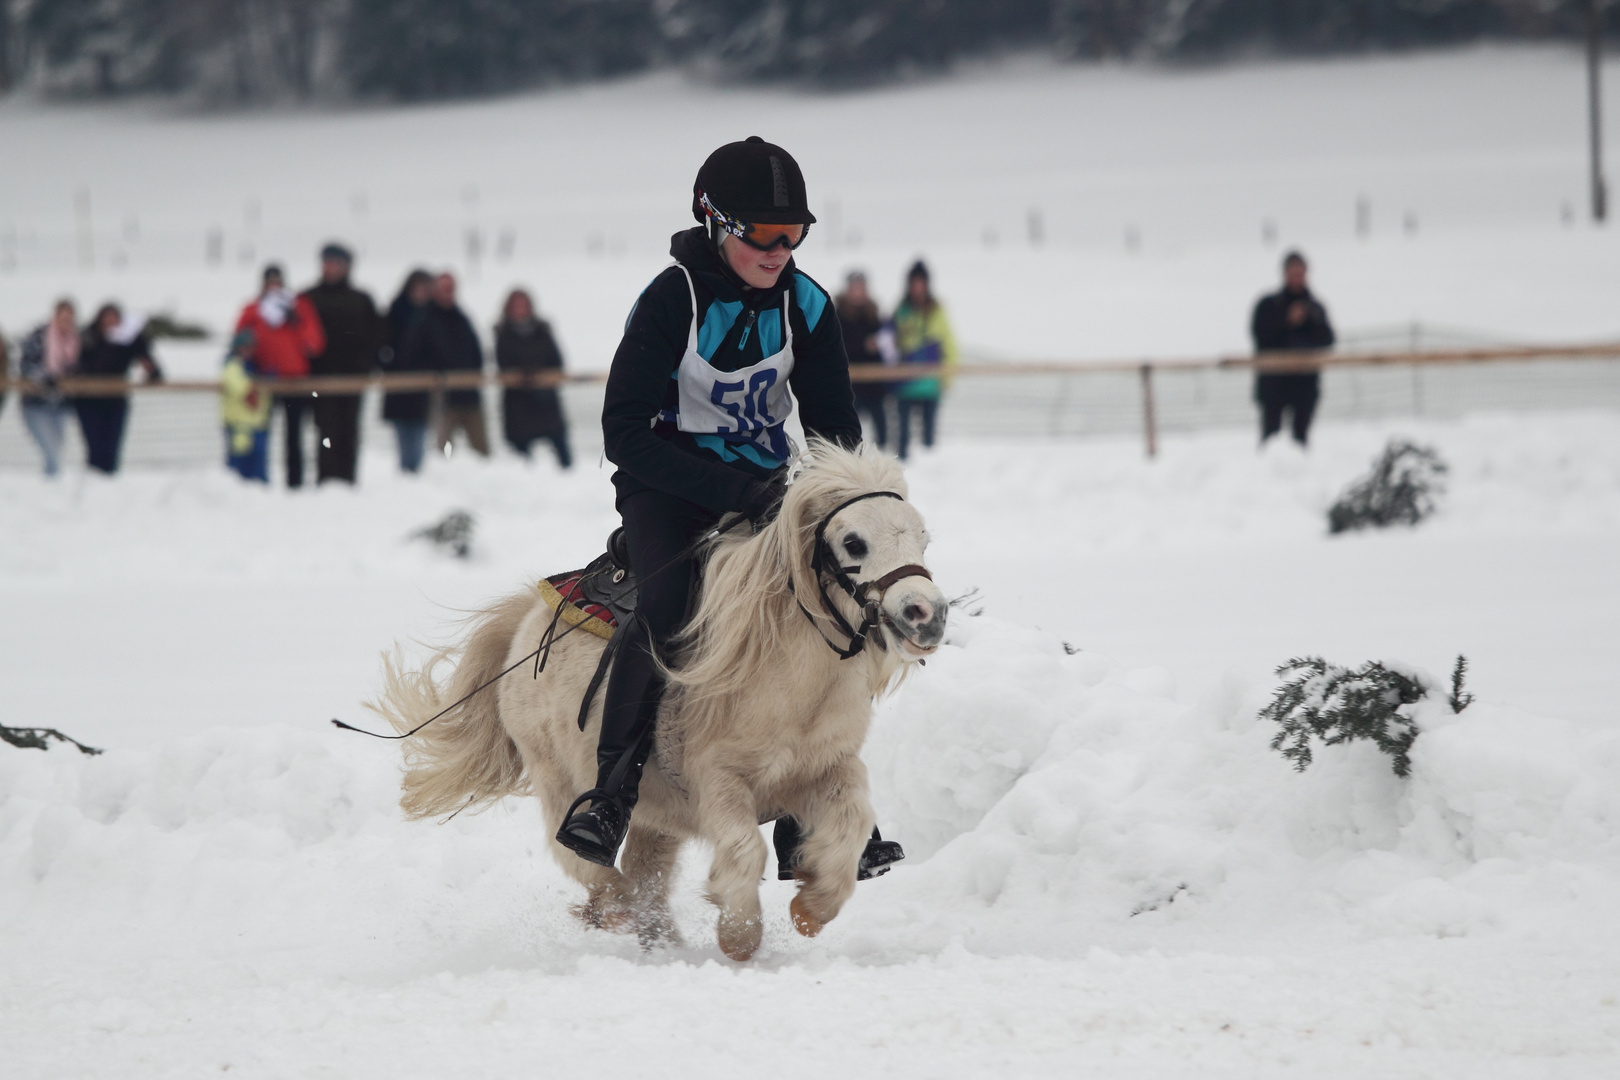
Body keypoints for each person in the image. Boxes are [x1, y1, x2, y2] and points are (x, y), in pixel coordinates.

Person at [555, 136, 897, 875]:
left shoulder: (806, 305)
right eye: (766, 237)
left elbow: (833, 429)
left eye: (796, 234)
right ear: (714, 223)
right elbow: (623, 434)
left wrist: (830, 501)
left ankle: (814, 812)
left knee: (838, 605)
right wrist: (735, 490)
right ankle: (609, 797)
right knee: (670, 608)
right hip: (668, 489)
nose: (782, 251)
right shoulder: (670, 299)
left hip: (772, 490)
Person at [233, 264, 326, 487]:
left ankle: (295, 484)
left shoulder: (300, 308)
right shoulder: (252, 310)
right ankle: (257, 481)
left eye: (277, 282)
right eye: (269, 282)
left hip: (295, 383)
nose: (274, 287)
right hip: (264, 382)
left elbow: (315, 344)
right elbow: (238, 342)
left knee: (294, 436)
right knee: (259, 434)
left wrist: (297, 322)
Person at [301, 243, 382, 484]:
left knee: (349, 432)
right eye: (326, 262)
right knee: (326, 431)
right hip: (321, 380)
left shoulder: (362, 300)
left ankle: (348, 482)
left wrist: (367, 365)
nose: (330, 268)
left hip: (354, 380)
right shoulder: (308, 299)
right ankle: (326, 482)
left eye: (336, 263)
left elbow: (377, 337)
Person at [1250, 250, 1334, 446]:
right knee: (1270, 439)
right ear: (1284, 273)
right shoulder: (1268, 305)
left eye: (1300, 272)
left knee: (1300, 439)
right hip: (1274, 384)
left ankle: (1301, 472)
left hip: (1304, 384)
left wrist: (1309, 321)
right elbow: (1260, 337)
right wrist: (1286, 321)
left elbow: (1327, 340)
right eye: (1292, 272)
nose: (1297, 277)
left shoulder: (1315, 307)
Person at [403, 272, 488, 459]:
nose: (448, 293)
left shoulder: (462, 319)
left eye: (450, 289)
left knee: (482, 450)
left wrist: (473, 377)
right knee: (444, 450)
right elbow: (414, 356)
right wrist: (435, 376)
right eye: (444, 288)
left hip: (469, 394)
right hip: (441, 397)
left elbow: (476, 353)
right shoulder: (423, 320)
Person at [75, 303, 163, 474]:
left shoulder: (127, 339)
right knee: (94, 447)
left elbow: (148, 362)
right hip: (88, 400)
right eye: (106, 317)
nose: (110, 321)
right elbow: (76, 364)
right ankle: (94, 481)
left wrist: (152, 371)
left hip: (115, 400)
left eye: (114, 318)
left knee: (111, 447)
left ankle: (109, 483)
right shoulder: (88, 336)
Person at [494, 288, 572, 467]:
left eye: (523, 305)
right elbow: (504, 364)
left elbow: (556, 361)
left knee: (563, 455)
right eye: (516, 306)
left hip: (546, 402)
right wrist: (527, 374)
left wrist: (541, 379)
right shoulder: (503, 334)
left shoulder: (542, 331)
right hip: (518, 405)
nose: (520, 310)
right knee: (522, 459)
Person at [891, 260, 958, 461]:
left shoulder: (937, 312)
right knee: (902, 438)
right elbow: (890, 344)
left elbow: (950, 345)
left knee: (929, 439)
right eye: (914, 283)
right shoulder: (901, 311)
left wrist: (947, 377)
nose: (918, 288)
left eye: (921, 283)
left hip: (930, 384)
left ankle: (930, 469)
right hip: (905, 384)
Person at [17, 300, 81, 477]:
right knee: (50, 449)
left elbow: (82, 367)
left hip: (62, 406)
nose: (66, 321)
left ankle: (52, 485)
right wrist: (46, 378)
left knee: (57, 447)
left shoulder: (76, 340)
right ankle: (51, 484)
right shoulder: (38, 337)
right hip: (36, 404)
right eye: (63, 316)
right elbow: (26, 365)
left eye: (70, 317)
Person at [381, 269, 434, 473]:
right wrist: (388, 365)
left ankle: (417, 471)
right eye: (417, 288)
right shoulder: (396, 311)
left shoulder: (433, 315)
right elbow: (383, 343)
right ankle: (405, 471)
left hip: (423, 383)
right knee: (402, 429)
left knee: (420, 429)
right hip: (398, 383)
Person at [835, 270, 892, 449]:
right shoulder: (837, 315)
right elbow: (837, 345)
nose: (858, 292)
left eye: (861, 287)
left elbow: (886, 344)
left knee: (881, 429)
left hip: (874, 384)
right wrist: (864, 346)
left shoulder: (874, 314)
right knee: (849, 429)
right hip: (849, 384)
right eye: (855, 287)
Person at [221, 330, 272, 482]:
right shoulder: (232, 366)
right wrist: (250, 391)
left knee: (258, 462)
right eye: (244, 347)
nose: (247, 351)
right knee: (238, 463)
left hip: (257, 423)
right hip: (238, 423)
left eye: (250, 347)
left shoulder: (257, 367)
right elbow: (238, 386)